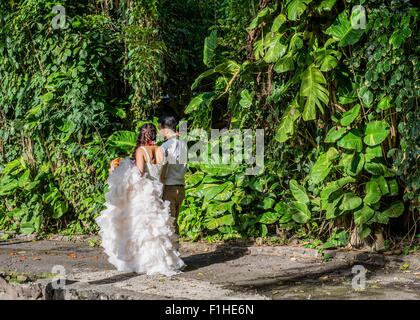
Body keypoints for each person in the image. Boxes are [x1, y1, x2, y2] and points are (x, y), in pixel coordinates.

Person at [96, 123, 185, 276]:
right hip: (157, 191)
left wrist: (118, 170)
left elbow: (140, 172)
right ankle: (161, 261)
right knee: (156, 230)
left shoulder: (141, 150)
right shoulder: (161, 150)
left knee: (141, 229)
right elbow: (162, 173)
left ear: (142, 135)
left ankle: (142, 262)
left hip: (144, 191)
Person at [158, 115, 187, 244]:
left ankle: (171, 258)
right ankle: (176, 254)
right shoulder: (184, 145)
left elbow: (162, 169)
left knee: (167, 224)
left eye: (160, 129)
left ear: (165, 129)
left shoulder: (165, 147)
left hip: (168, 188)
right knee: (174, 223)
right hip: (181, 188)